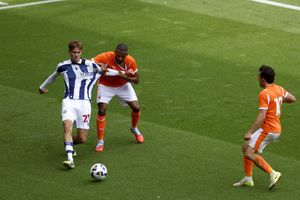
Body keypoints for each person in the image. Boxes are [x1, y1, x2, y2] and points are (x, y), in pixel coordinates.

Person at [39, 40, 122, 169]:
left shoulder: (90, 65)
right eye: (73, 52)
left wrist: (121, 73)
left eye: (78, 52)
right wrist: (41, 88)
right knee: (67, 126)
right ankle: (70, 159)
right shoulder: (62, 66)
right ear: (69, 52)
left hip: (84, 104)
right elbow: (53, 77)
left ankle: (69, 144)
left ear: (81, 52)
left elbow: (105, 71)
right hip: (69, 101)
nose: (76, 55)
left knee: (82, 139)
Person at [233, 65, 296, 190]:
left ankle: (273, 173)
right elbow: (292, 99)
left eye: (258, 76)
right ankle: (248, 178)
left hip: (268, 129)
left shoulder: (264, 93)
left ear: (262, 79)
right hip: (276, 128)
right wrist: (277, 100)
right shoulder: (278, 89)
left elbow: (262, 116)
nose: (257, 79)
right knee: (245, 146)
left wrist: (249, 132)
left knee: (249, 153)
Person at [92, 43, 144, 152]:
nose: (120, 58)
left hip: (123, 85)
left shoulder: (131, 61)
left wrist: (124, 76)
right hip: (105, 86)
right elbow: (90, 62)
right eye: (118, 55)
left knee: (136, 108)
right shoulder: (106, 56)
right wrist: (99, 66)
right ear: (115, 52)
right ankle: (100, 141)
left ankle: (134, 128)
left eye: (122, 56)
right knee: (102, 110)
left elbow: (137, 80)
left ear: (126, 55)